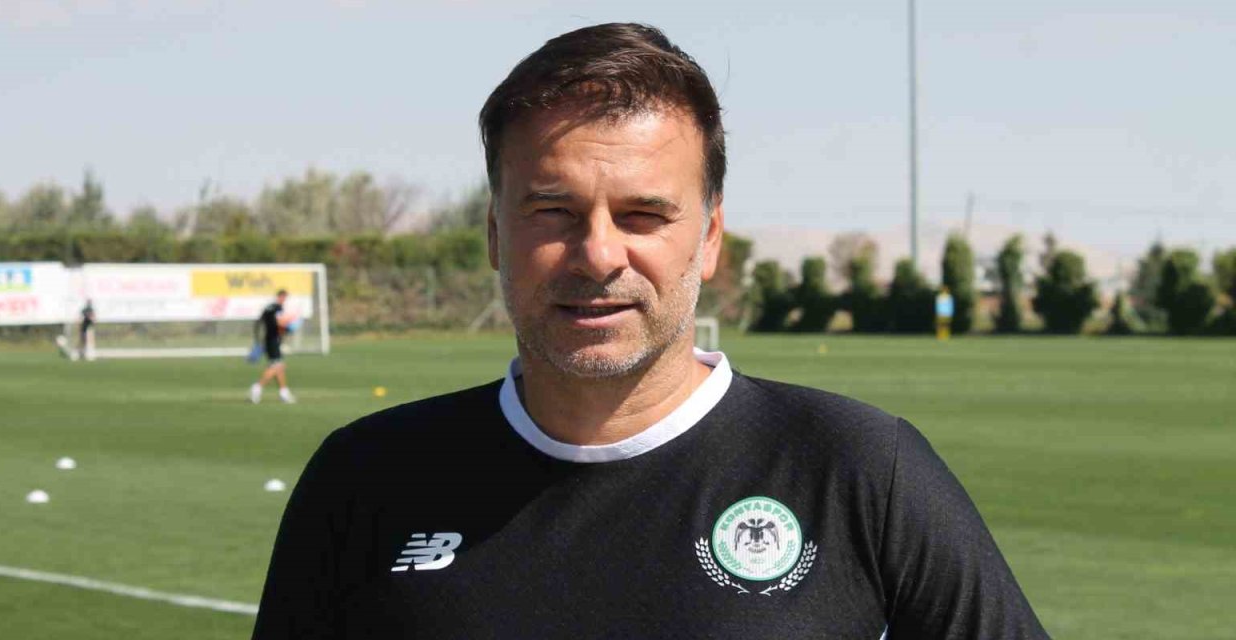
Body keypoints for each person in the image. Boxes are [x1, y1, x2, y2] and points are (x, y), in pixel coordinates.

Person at [253, 23, 1048, 639]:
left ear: (710, 238)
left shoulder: (860, 471)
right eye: (553, 211)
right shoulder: (364, 480)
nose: (599, 254)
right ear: (496, 234)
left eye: (642, 215)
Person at [250, 290, 296, 404]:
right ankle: (257, 387)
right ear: (280, 297)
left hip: (268, 339)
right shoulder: (278, 308)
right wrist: (289, 326)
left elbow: (259, 322)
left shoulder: (268, 308)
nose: (284, 300)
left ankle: (283, 393)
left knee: (279, 367)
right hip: (274, 339)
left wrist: (258, 338)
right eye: (284, 298)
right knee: (277, 366)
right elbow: (280, 323)